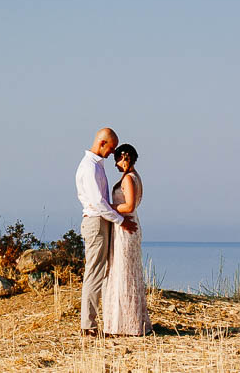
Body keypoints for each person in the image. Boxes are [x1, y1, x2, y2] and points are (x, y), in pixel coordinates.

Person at [74, 127, 135, 336]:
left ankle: (101, 321)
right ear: (102, 143)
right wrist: (120, 221)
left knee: (101, 271)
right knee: (95, 272)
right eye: (111, 148)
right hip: (96, 223)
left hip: (101, 222)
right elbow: (98, 203)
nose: (112, 153)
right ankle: (88, 326)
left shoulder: (96, 166)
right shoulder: (90, 167)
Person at [102, 143, 149, 336]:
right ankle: (128, 321)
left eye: (117, 160)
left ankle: (125, 323)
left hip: (126, 226)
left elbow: (129, 205)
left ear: (125, 157)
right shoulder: (135, 177)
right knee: (127, 271)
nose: (115, 165)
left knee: (124, 272)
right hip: (127, 225)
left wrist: (108, 206)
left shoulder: (129, 178)